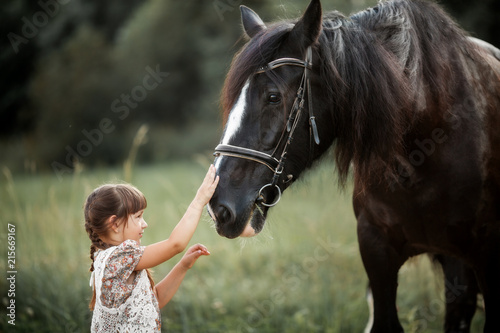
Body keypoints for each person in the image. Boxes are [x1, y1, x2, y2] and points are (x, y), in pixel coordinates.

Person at [84, 165, 219, 332]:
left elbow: (155, 300)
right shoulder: (116, 258)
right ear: (115, 223)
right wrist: (199, 200)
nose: (144, 224)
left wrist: (183, 266)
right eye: (138, 216)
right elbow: (175, 244)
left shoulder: (117, 259)